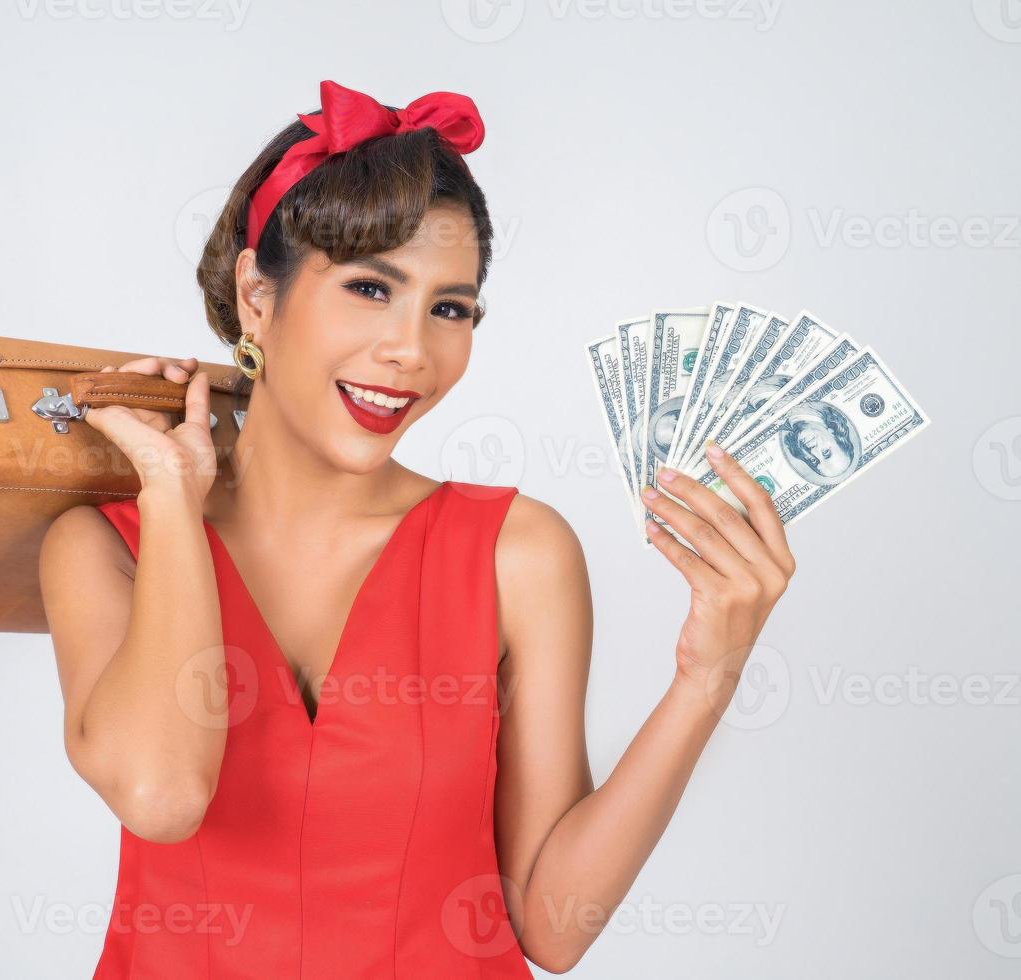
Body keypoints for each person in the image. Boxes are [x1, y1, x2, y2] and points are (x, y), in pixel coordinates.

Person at [39, 79, 796, 977]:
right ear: (255, 294)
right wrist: (171, 494)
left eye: (450, 308)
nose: (412, 352)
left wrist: (707, 677)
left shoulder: (518, 553)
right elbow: (161, 795)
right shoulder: (107, 548)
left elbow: (552, 926)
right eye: (369, 288)